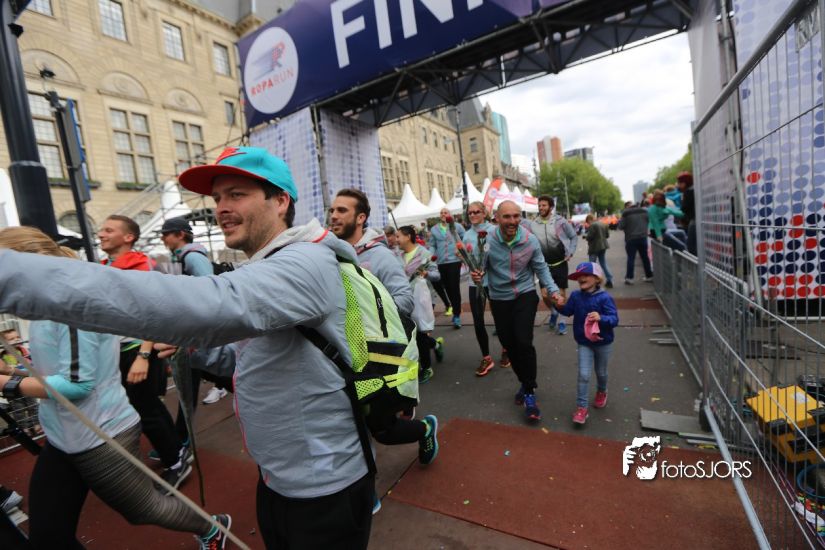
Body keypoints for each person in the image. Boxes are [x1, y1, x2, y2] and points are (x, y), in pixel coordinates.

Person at [0, 147, 385, 548]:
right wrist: (198, 351)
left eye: (237, 194)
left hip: (325, 484)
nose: (221, 208)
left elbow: (212, 303)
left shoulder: (307, 262)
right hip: (281, 476)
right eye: (217, 198)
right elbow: (253, 356)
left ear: (281, 201)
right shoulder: (269, 263)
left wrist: (10, 276)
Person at [0, 227, 230, 549]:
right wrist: (12, 370)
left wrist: (7, 383)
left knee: (143, 508)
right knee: (49, 535)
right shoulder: (45, 307)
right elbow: (55, 368)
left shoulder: (67, 307)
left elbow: (77, 385)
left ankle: (212, 527)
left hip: (100, 434)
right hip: (63, 434)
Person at [98, 214, 191, 490]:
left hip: (137, 349)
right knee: (148, 406)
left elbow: (154, 312)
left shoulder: (142, 266)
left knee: (145, 409)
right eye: (102, 230)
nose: (101, 234)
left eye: (108, 230)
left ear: (128, 237)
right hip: (121, 348)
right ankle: (177, 452)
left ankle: (176, 461)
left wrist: (144, 354)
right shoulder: (106, 265)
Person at [471, 201, 563, 422]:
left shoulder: (529, 240)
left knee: (523, 341)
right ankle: (525, 382)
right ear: (497, 218)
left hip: (524, 294)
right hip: (499, 298)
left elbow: (541, 267)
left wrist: (553, 290)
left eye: (516, 216)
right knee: (508, 343)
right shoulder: (486, 240)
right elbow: (480, 266)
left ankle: (529, 391)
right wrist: (477, 275)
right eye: (507, 217)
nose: (512, 221)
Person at [329, 189, 414, 317]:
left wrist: (372, 314)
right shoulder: (327, 254)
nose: (334, 216)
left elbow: (405, 299)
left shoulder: (381, 255)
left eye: (341, 210)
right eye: (332, 211)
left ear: (360, 218)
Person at [553, 262, 619, 425]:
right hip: (584, 342)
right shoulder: (576, 296)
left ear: (597, 279)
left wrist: (601, 318)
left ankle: (602, 391)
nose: (581, 278)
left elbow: (614, 319)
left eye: (586, 275)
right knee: (583, 375)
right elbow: (567, 311)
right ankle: (582, 408)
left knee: (601, 372)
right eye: (578, 276)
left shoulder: (605, 298)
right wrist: (558, 304)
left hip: (603, 342)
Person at [398, 226, 443, 384]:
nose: (396, 240)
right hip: (405, 299)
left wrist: (427, 273)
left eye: (398, 236)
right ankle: (436, 345)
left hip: (423, 300)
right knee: (413, 334)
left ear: (408, 236)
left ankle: (426, 367)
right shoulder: (397, 256)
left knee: (421, 335)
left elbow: (437, 276)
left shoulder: (424, 254)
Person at [526, 196, 577, 335]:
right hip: (543, 265)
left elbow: (573, 236)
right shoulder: (533, 224)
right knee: (545, 295)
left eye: (544, 205)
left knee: (560, 294)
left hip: (560, 263)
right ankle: (554, 311)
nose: (541, 208)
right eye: (539, 205)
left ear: (551, 207)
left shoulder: (560, 221)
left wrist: (571, 251)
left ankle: (562, 321)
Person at [462, 201, 496, 376]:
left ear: (484, 213)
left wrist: (485, 270)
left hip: (493, 281)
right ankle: (486, 357)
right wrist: (469, 267)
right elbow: (466, 258)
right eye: (470, 213)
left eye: (476, 212)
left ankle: (507, 349)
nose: (473, 215)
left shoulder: (493, 231)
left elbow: (497, 255)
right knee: (478, 320)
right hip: (474, 282)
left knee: (500, 318)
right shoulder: (467, 235)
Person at [428, 207, 465, 329]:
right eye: (441, 213)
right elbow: (432, 245)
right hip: (441, 262)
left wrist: (461, 249)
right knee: (447, 288)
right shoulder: (434, 229)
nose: (443, 214)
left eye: (446, 212)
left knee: (454, 287)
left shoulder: (457, 226)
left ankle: (457, 314)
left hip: (454, 260)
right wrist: (430, 255)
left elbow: (464, 238)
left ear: (450, 215)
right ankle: (454, 308)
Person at [618, 201, 653, 284]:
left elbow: (620, 226)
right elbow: (649, 222)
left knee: (631, 258)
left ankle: (629, 278)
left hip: (631, 238)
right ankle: (649, 276)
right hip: (643, 237)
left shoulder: (626, 213)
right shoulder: (645, 211)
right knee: (645, 257)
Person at [584, 214, 614, 288]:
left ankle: (594, 281)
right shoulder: (603, 224)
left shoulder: (592, 225)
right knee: (603, 263)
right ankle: (610, 279)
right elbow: (607, 235)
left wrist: (586, 237)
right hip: (603, 246)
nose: (588, 224)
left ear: (589, 220)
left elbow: (590, 237)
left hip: (594, 247)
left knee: (592, 265)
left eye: (587, 222)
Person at [677, 172, 696, 255]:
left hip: (693, 220)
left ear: (684, 183)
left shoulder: (688, 192)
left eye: (679, 183)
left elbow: (684, 208)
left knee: (691, 246)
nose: (678, 185)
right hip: (699, 219)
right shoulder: (696, 189)